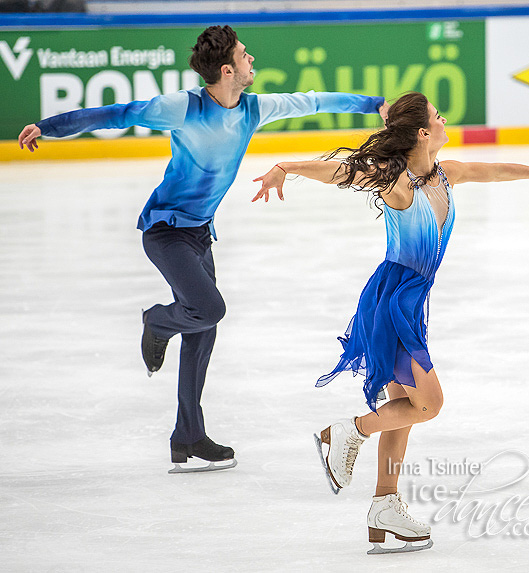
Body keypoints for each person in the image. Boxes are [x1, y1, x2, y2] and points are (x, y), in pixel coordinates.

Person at [17, 25, 389, 471]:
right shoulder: (184, 107)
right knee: (209, 310)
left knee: (202, 331)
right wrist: (51, 126)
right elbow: (118, 114)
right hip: (165, 230)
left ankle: (187, 435)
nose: (254, 61)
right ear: (228, 69)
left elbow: (312, 101)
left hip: (198, 234)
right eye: (246, 56)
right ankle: (155, 322)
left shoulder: (253, 109)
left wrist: (374, 106)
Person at [252, 91, 529, 552]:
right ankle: (345, 432)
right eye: (437, 116)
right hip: (393, 300)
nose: (444, 118)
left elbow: (490, 171)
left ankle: (384, 507)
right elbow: (344, 171)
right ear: (422, 132)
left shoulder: (444, 175)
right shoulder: (398, 182)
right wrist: (287, 168)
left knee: (405, 413)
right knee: (429, 403)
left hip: (410, 301)